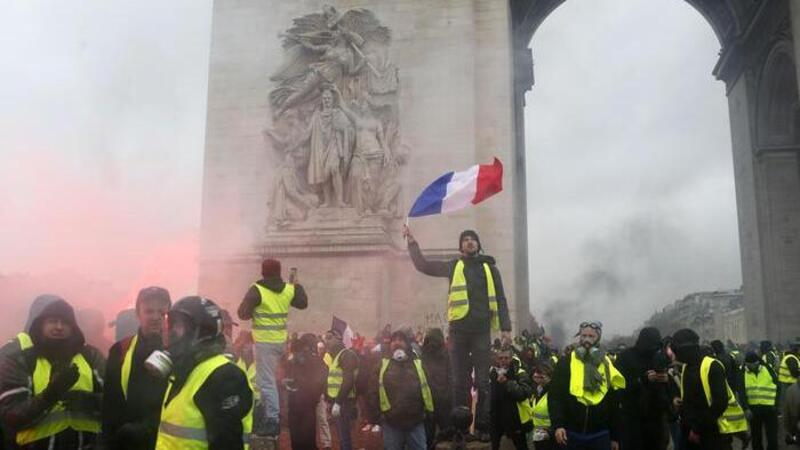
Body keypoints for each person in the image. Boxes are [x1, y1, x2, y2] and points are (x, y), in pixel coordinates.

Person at [402, 225, 512, 438]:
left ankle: (482, 426)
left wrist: (506, 328)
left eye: (473, 239)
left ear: (478, 245)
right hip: (459, 331)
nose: (469, 242)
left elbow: (501, 298)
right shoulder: (454, 266)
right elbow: (423, 266)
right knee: (459, 382)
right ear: (461, 247)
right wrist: (411, 242)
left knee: (483, 382)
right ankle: (460, 428)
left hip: (481, 331)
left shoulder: (491, 269)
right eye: (465, 240)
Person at [0, 297, 106, 449]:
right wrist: (50, 395)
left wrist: (88, 401)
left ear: (74, 327)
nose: (59, 327)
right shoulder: (19, 360)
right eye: (52, 321)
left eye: (65, 322)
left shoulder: (91, 356)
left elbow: (116, 404)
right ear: (40, 325)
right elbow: (11, 417)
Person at [154, 296, 253, 449]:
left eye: (177, 326)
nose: (170, 332)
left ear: (200, 332)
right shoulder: (184, 372)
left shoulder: (223, 377)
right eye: (170, 325)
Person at [238, 257, 308, 437]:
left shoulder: (257, 289)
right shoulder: (288, 289)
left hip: (264, 343)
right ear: (279, 272)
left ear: (262, 272)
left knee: (265, 382)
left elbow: (242, 314)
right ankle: (266, 413)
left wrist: (256, 309)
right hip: (282, 342)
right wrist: (296, 284)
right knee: (270, 380)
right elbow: (302, 303)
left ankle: (273, 420)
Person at [102, 286, 171, 450]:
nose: (155, 317)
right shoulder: (121, 349)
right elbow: (110, 402)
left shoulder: (180, 351)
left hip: (166, 441)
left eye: (161, 312)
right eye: (149, 311)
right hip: (126, 440)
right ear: (137, 314)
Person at [548, 321, 626, 450]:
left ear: (598, 338)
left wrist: (615, 437)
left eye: (591, 336)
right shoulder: (566, 362)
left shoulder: (607, 364)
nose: (586, 340)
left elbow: (614, 402)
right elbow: (555, 396)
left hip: (600, 434)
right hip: (571, 433)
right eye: (583, 336)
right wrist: (558, 425)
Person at [671, 328, 747, 450]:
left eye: (675, 350)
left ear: (685, 349)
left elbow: (719, 403)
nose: (673, 354)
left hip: (712, 435)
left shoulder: (712, 366)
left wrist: (697, 429)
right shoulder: (686, 367)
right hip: (692, 434)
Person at [370, 329, 433, 450]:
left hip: (415, 421)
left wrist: (428, 413)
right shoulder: (382, 365)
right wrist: (378, 417)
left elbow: (428, 388)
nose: (397, 342)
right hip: (391, 423)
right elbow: (373, 392)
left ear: (407, 344)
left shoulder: (418, 364)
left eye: (401, 340)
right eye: (394, 340)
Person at [615, 327, 671, 450]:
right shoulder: (625, 357)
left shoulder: (659, 356)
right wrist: (641, 380)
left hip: (656, 419)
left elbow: (666, 391)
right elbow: (618, 387)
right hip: (633, 419)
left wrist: (666, 380)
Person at [285, 333, 327, 450]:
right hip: (309, 404)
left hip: (294, 403)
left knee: (296, 438)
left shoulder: (292, 360)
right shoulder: (318, 361)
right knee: (308, 437)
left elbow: (287, 380)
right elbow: (322, 380)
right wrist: (315, 397)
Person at [488, 346, 533, 450]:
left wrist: (507, 383)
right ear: (497, 359)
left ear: (511, 358)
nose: (503, 361)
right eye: (501, 358)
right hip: (496, 417)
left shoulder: (519, 372)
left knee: (521, 446)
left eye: (506, 358)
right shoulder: (492, 372)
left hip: (515, 419)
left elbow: (523, 394)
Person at [324, 329, 359, 450]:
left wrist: (338, 403)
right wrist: (330, 401)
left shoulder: (346, 355)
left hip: (344, 402)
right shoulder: (336, 357)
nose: (326, 341)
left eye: (329, 337)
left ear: (338, 338)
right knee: (341, 434)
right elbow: (333, 381)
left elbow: (348, 380)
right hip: (338, 401)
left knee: (344, 435)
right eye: (325, 338)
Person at [421, 327, 452, 449]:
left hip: (441, 401)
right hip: (432, 402)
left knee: (443, 434)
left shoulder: (445, 355)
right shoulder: (423, 356)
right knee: (430, 435)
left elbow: (451, 376)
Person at [740, 351, 778, 450]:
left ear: (758, 362)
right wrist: (746, 408)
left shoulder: (767, 369)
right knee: (756, 439)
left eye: (755, 363)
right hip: (753, 411)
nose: (753, 366)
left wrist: (776, 404)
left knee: (772, 439)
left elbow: (778, 387)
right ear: (747, 363)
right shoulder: (742, 372)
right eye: (750, 364)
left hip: (770, 409)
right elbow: (741, 392)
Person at [530, 363, 554, 450]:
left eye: (540, 374)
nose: (536, 376)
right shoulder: (537, 389)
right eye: (535, 373)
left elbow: (561, 416)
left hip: (550, 435)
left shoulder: (554, 393)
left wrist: (550, 432)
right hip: (537, 434)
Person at [778, 341, 799, 407]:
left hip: (787, 383)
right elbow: (795, 372)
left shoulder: (791, 357)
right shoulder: (791, 358)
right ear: (797, 350)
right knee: (791, 404)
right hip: (789, 384)